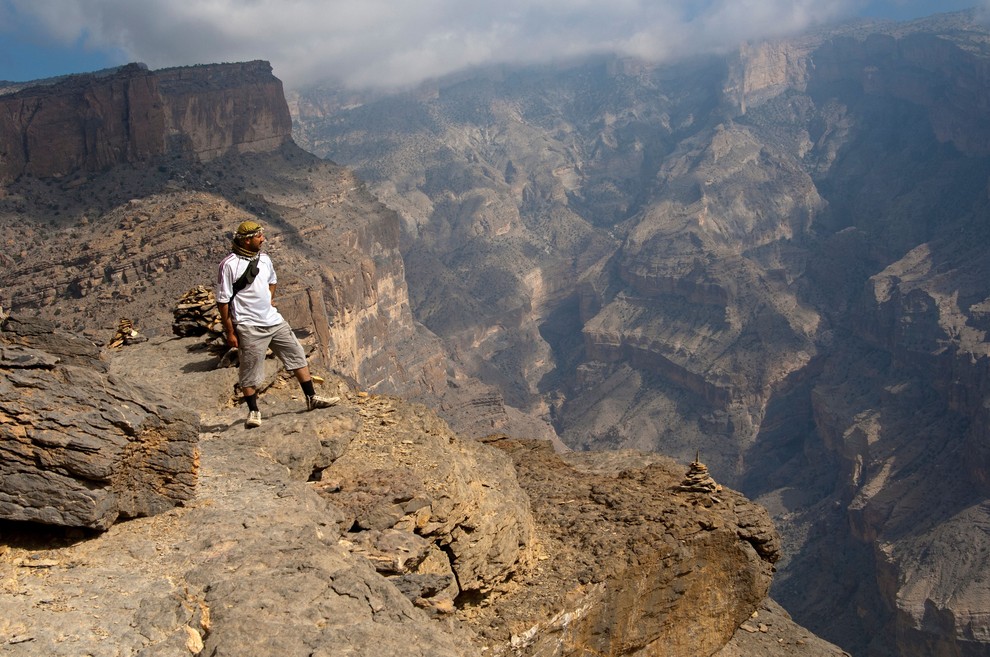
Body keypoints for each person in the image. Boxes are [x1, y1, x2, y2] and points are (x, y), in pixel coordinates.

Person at [216, 220, 339, 428]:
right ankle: (254, 411)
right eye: (258, 236)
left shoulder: (264, 259)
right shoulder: (228, 265)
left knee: (296, 355)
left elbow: (272, 281)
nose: (263, 239)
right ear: (247, 240)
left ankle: (311, 398)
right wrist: (231, 331)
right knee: (250, 370)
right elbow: (223, 301)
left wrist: (269, 300)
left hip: (273, 320)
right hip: (249, 325)